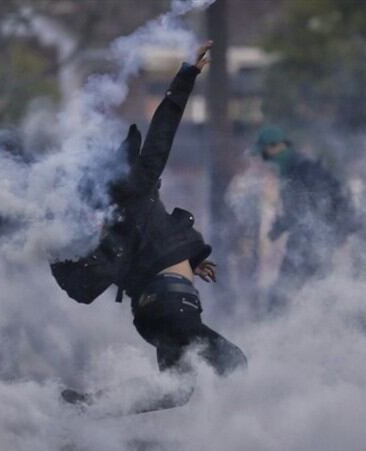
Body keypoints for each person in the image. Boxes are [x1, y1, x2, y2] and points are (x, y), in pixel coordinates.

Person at [50, 41, 246, 412]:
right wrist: (187, 73)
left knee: (176, 391)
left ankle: (92, 406)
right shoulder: (137, 188)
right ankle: (255, 441)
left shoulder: (109, 227)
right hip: (174, 304)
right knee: (236, 364)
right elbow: (163, 130)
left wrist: (189, 261)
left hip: (150, 315)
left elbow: (86, 284)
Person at [252, 126, 355, 310]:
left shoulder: (304, 169)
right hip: (310, 241)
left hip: (312, 242)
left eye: (265, 154)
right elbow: (300, 210)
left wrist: (288, 224)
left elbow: (314, 209)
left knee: (283, 294)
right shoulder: (294, 170)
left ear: (276, 148)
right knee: (319, 292)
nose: (264, 160)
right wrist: (281, 226)